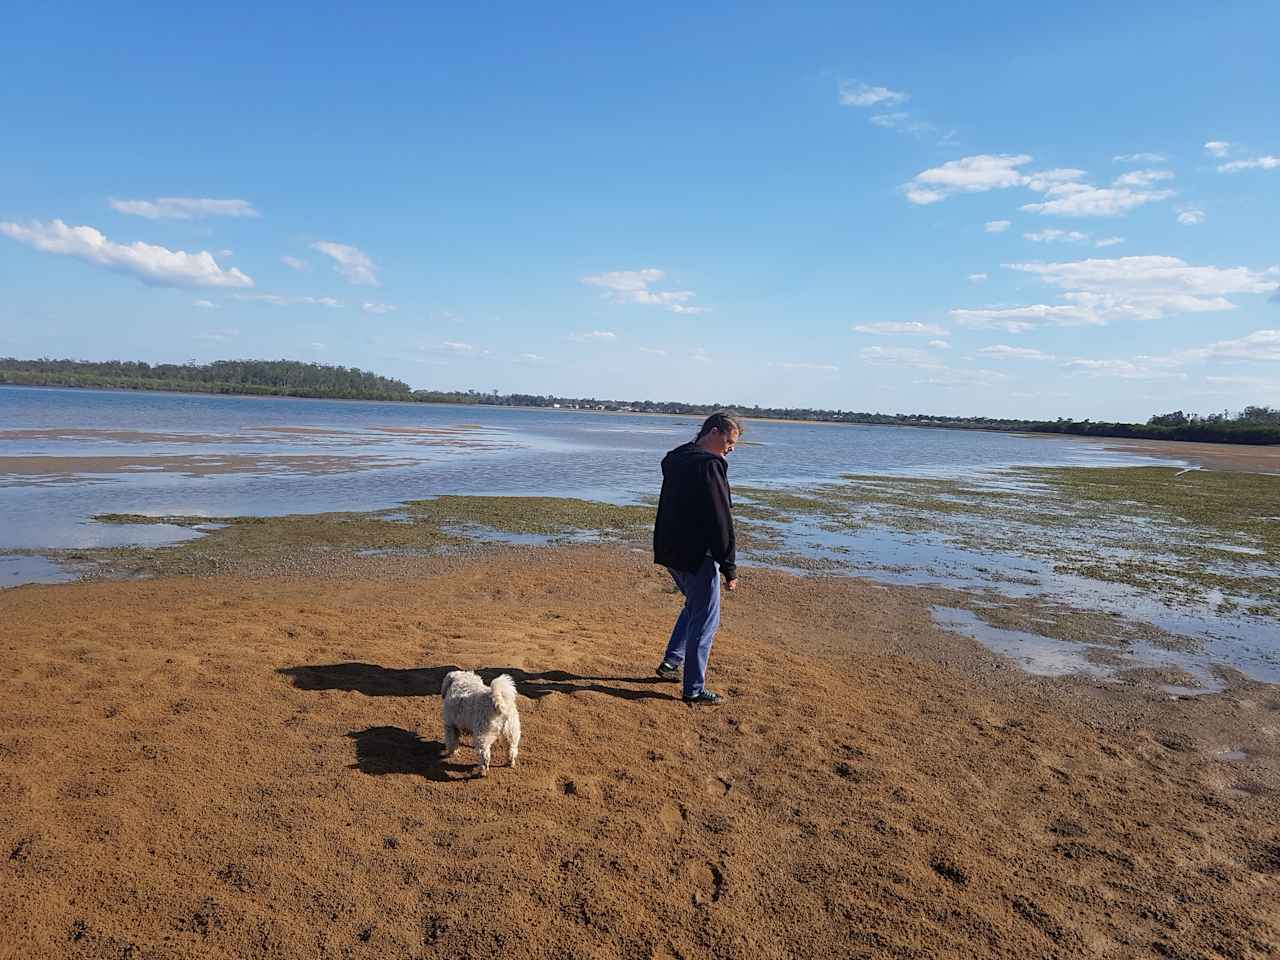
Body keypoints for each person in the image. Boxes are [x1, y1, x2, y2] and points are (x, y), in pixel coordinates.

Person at [652, 412, 741, 705]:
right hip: (697, 555)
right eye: (729, 441)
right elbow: (720, 519)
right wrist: (729, 566)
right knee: (706, 619)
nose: (731, 448)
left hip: (671, 551)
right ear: (713, 432)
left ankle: (671, 662)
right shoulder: (710, 466)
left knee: (695, 606)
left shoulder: (678, 458)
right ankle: (693, 688)